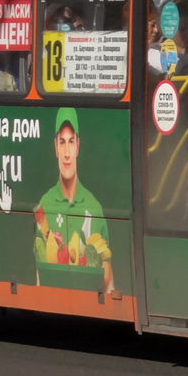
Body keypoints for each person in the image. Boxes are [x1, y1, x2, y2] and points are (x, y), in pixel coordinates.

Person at [33, 108, 114, 292]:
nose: (67, 153)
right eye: (62, 142)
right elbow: (40, 274)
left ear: (78, 146)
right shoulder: (44, 205)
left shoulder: (94, 209)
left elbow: (107, 276)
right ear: (55, 147)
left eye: (71, 142)